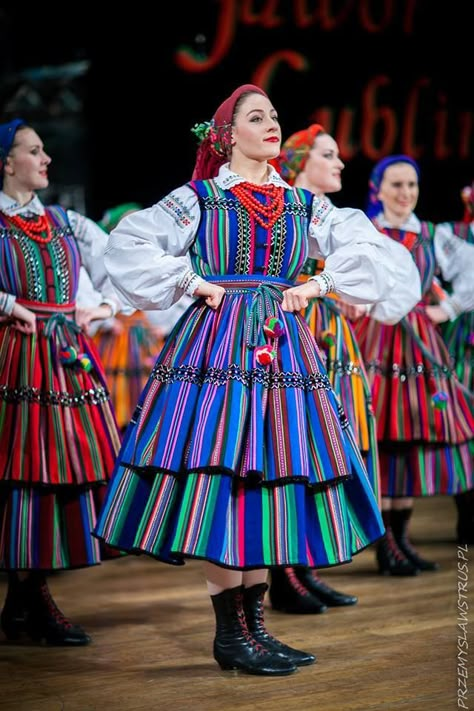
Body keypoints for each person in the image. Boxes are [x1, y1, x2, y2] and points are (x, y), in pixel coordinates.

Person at [93, 85, 421, 676]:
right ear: (227, 135)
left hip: (285, 350)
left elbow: (370, 248)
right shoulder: (198, 200)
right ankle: (230, 633)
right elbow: (129, 244)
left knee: (272, 481)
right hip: (217, 347)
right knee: (228, 477)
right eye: (256, 117)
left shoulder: (303, 204)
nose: (270, 124)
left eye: (273, 116)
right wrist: (195, 283)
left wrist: (318, 285)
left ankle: (256, 628)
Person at [0, 119, 123, 646]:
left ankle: (27, 598)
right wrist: (6, 303)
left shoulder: (67, 223)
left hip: (63, 356)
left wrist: (105, 305)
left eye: (46, 149)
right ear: (7, 162)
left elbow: (123, 262)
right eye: (33, 150)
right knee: (23, 473)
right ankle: (30, 599)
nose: (46, 158)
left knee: (57, 473)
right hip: (14, 359)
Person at [267, 124, 379, 613]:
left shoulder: (329, 215)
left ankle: (304, 565)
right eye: (328, 155)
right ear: (299, 163)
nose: (339, 164)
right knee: (293, 443)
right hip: (293, 322)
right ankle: (283, 571)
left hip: (328, 326)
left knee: (325, 445)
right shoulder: (282, 205)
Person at [352, 155, 474, 575]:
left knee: (407, 438)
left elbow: (469, 273)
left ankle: (401, 540)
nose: (405, 193)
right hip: (377, 338)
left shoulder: (431, 235)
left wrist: (449, 309)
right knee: (382, 436)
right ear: (377, 189)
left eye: (412, 185)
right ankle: (385, 543)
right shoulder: (364, 230)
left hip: (419, 343)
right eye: (396, 185)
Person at [82, 203, 192, 430]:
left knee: (149, 390)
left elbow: (175, 294)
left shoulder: (152, 258)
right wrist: (107, 319)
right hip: (115, 332)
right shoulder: (106, 258)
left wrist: (167, 326)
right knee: (114, 390)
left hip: (144, 334)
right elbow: (91, 291)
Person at [434, 182, 474, 544]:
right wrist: (443, 305)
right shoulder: (450, 234)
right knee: (464, 416)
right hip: (463, 332)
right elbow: (424, 270)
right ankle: (467, 512)